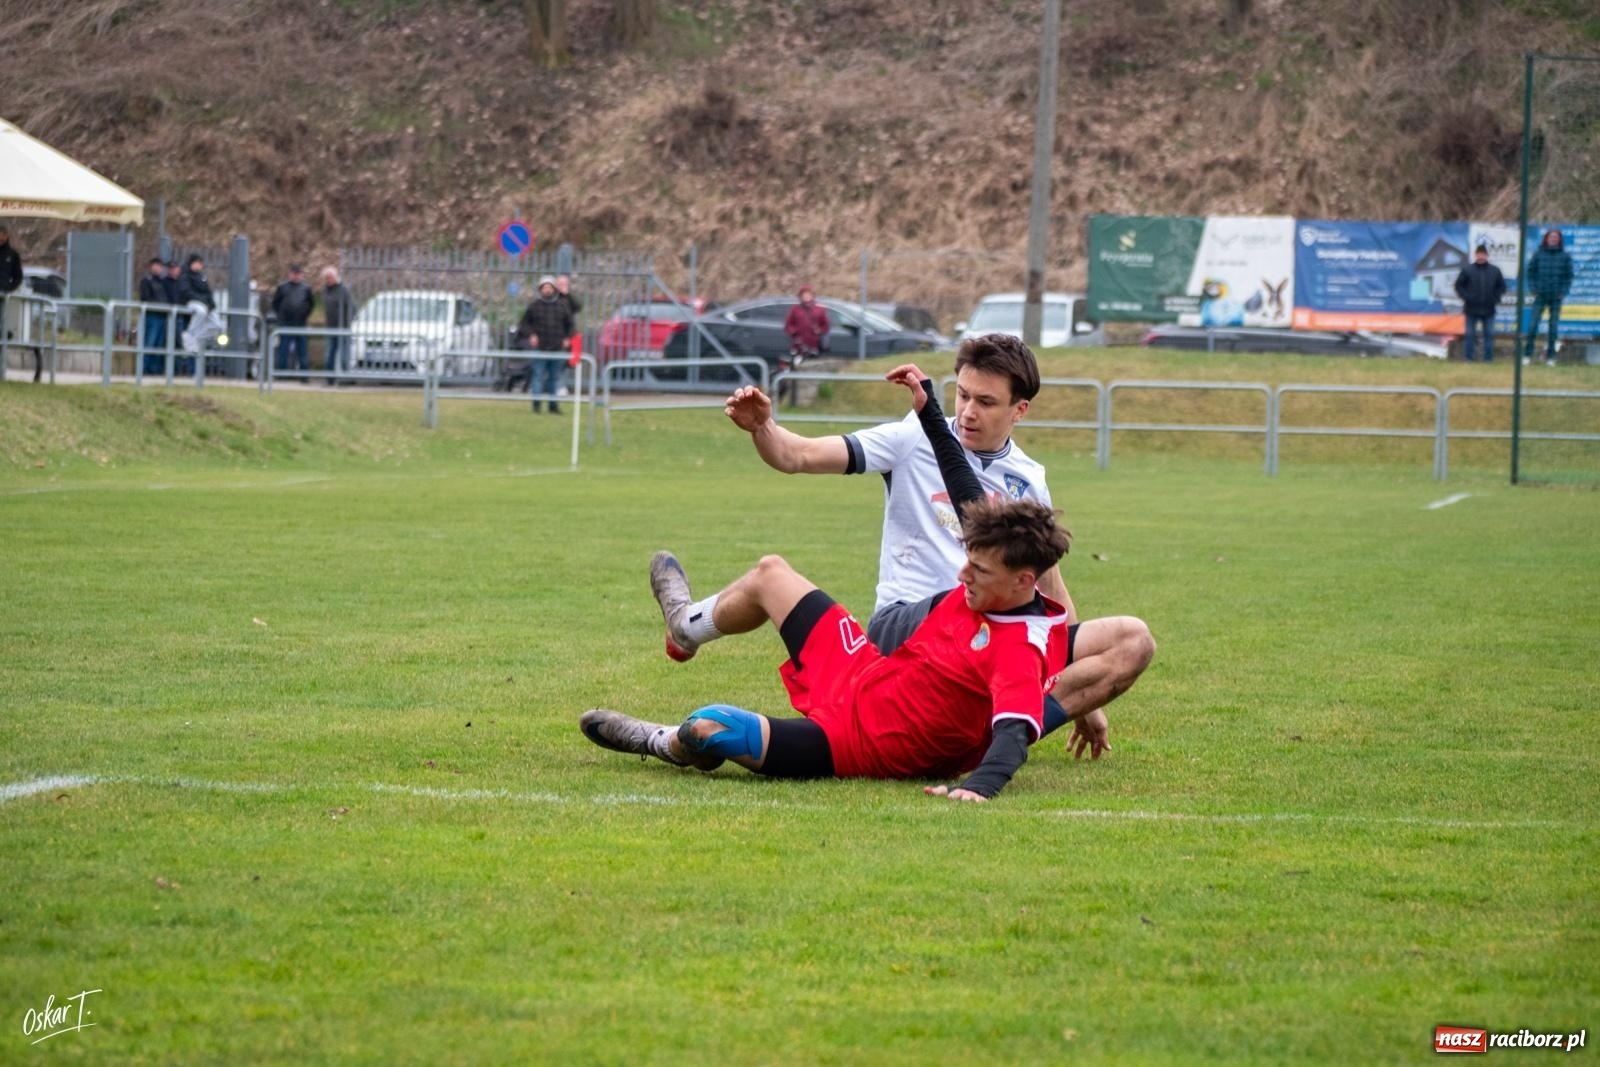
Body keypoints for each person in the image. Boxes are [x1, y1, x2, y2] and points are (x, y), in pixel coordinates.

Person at [580, 366, 1154, 801]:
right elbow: (963, 486)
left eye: (977, 571)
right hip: (865, 671)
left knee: (710, 729)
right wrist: (929, 411)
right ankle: (687, 626)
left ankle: (658, 740)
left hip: (859, 743)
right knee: (772, 573)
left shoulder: (1017, 648)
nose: (962, 573)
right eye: (964, 396)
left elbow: (1010, 731)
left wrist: (978, 786)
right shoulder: (990, 573)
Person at [724, 333, 1127, 759]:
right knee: (981, 613)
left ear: (1019, 410)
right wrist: (763, 427)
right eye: (963, 395)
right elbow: (798, 455)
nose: (968, 411)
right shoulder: (910, 439)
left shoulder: (1028, 480)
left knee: (1118, 641)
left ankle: (990, 741)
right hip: (903, 621)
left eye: (986, 402)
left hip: (971, 637)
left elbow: (1049, 588)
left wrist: (1085, 701)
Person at [514, 275, 574, 413]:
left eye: (549, 287)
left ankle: (553, 406)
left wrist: (567, 338)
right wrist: (531, 335)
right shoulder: (534, 306)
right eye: (544, 287)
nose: (547, 290)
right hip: (539, 348)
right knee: (538, 377)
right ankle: (536, 406)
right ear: (540, 289)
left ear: (554, 289)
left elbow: (570, 325)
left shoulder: (562, 306)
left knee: (554, 378)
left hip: (557, 347)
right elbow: (524, 324)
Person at [1524, 228, 1573, 366]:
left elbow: (1568, 276)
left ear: (1559, 239)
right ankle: (1527, 355)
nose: (1553, 238)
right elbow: (1530, 273)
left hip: (1556, 297)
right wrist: (1534, 289)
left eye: (1556, 237)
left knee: (1553, 328)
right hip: (1540, 296)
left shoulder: (1565, 256)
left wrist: (1563, 291)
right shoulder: (1538, 254)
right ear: (1546, 238)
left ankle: (1551, 357)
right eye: (1551, 236)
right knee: (1533, 325)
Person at [1453, 244, 1505, 363]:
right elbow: (1459, 286)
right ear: (1476, 255)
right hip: (1471, 309)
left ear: (1487, 255)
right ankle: (1468, 358)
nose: (1481, 256)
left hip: (1489, 309)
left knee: (1489, 334)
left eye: (1483, 254)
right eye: (1479, 254)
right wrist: (1467, 297)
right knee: (1470, 335)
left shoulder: (1495, 271)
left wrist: (1495, 298)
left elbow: (1501, 287)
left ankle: (1488, 359)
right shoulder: (1467, 270)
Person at [176, 255, 218, 374]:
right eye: (196, 263)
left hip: (204, 304)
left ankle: (194, 337)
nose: (199, 265)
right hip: (191, 305)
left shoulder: (202, 277)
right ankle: (189, 335)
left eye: (200, 263)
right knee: (201, 311)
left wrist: (211, 304)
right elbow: (186, 292)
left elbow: (208, 292)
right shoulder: (185, 276)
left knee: (217, 325)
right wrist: (203, 301)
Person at [271, 264, 315, 374]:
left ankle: (304, 375)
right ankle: (282, 374)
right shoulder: (282, 287)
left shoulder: (306, 288)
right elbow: (275, 303)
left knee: (302, 351)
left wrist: (304, 315)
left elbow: (311, 304)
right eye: (294, 274)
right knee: (283, 350)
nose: (296, 276)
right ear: (290, 274)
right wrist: (282, 316)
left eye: (298, 274)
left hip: (301, 324)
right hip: (286, 324)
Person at [782, 284, 830, 372]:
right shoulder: (795, 309)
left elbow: (825, 326)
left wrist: (819, 330)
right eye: (804, 295)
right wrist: (794, 332)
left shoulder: (820, 310)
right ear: (800, 297)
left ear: (812, 296)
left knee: (813, 368)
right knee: (796, 368)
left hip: (814, 346)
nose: (806, 297)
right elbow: (788, 325)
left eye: (808, 295)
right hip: (798, 346)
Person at [321, 266, 355, 384]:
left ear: (336, 277)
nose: (328, 280)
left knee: (344, 355)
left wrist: (346, 322)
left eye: (330, 277)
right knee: (329, 354)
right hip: (331, 327)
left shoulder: (343, 290)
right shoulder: (325, 290)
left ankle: (346, 378)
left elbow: (352, 308)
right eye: (326, 278)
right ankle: (329, 379)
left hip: (343, 327)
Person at [138, 258, 171, 376]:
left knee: (159, 344)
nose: (158, 268)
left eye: (160, 266)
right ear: (150, 266)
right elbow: (145, 298)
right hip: (152, 316)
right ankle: (143, 369)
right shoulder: (146, 281)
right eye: (156, 265)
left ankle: (155, 370)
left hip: (162, 315)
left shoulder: (162, 281)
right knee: (150, 342)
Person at [0, 226, 25, 379]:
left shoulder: (12, 255)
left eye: (2, 234)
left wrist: (9, 288)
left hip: (2, 296)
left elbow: (18, 276)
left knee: (2, 329)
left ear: (7, 236)